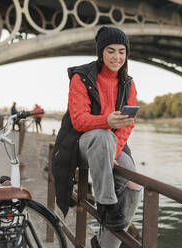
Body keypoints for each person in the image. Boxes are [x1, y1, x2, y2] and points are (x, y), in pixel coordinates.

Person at [51, 26, 142, 248]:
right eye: (111, 51)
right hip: (81, 145)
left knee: (135, 185)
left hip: (112, 146)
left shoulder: (128, 83)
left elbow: (128, 124)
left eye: (122, 51)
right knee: (102, 136)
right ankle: (105, 203)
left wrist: (115, 151)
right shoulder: (81, 77)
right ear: (101, 52)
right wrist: (107, 122)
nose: (117, 57)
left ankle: (103, 244)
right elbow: (79, 120)